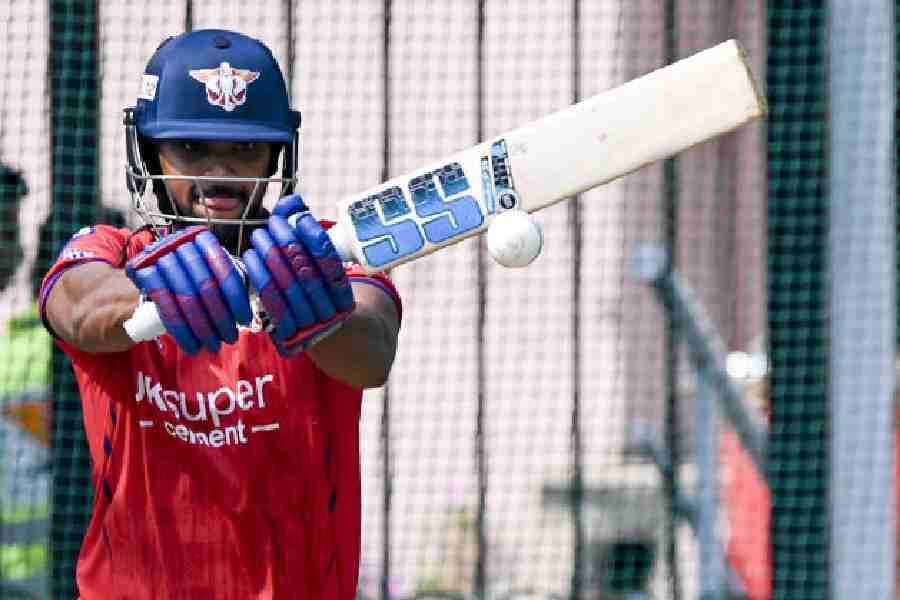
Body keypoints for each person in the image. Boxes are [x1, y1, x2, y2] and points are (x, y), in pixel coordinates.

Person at [39, 29, 401, 600]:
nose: (221, 174)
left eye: (244, 150)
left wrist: (319, 315)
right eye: (192, 149)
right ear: (150, 149)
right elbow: (76, 303)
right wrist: (149, 300)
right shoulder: (114, 253)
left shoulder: (321, 256)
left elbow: (372, 347)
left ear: (277, 154)